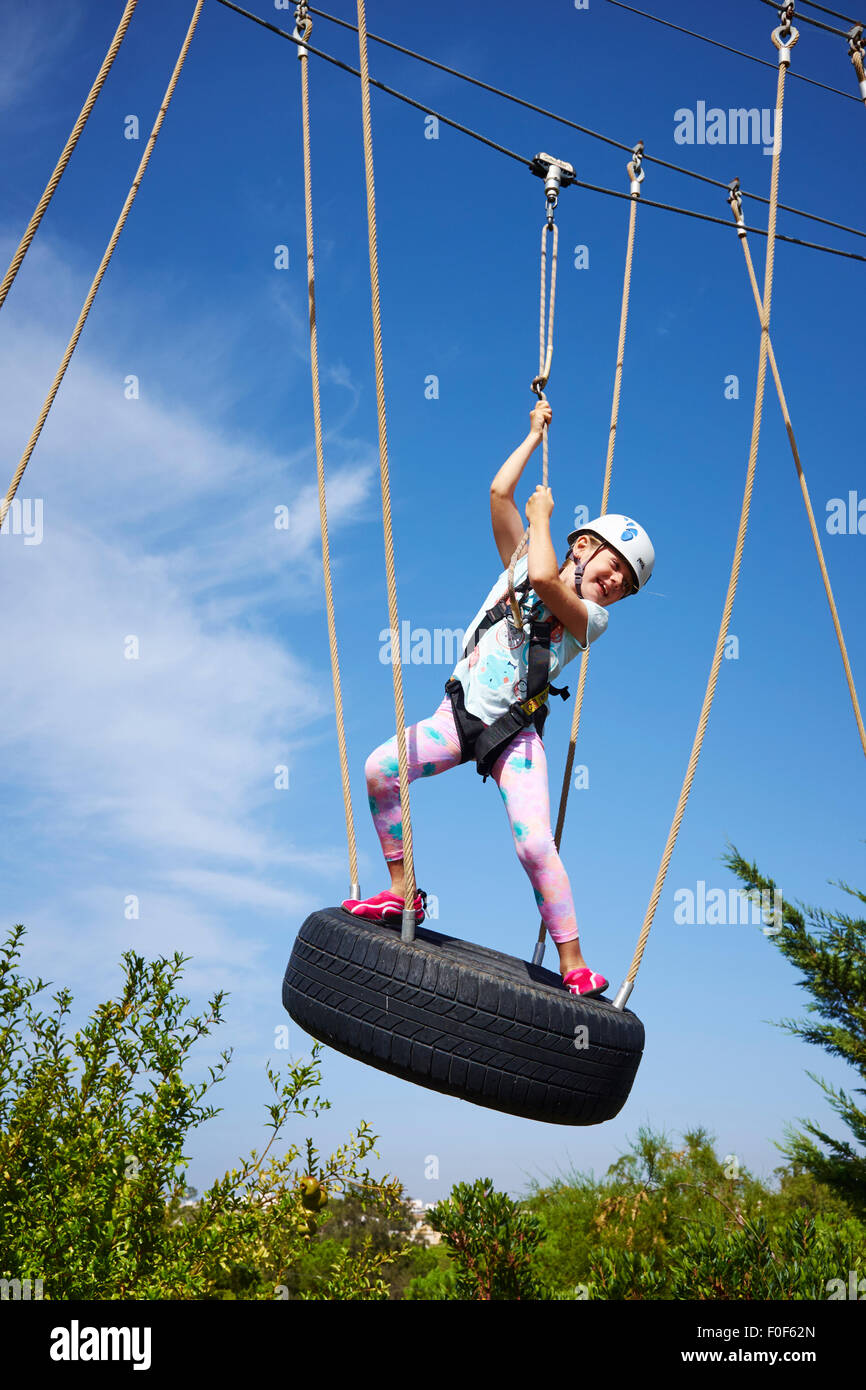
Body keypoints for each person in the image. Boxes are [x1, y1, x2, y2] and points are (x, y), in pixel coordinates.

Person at [342, 401, 655, 997]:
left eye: (625, 585)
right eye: (614, 565)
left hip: (514, 735)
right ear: (583, 546)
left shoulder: (590, 621)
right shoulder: (521, 558)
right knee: (380, 769)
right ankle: (402, 888)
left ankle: (574, 962)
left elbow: (543, 577)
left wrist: (543, 519)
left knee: (536, 842)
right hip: (459, 718)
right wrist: (533, 437)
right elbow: (498, 493)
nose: (614, 584)